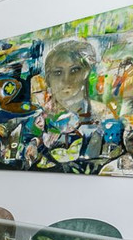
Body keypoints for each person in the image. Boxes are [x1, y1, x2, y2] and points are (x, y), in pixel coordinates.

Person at [22, 39, 113, 169]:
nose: (66, 80)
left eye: (74, 70)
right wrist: (33, 144)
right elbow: (35, 136)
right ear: (48, 79)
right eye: (58, 72)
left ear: (85, 73)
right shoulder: (43, 116)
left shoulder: (102, 114)